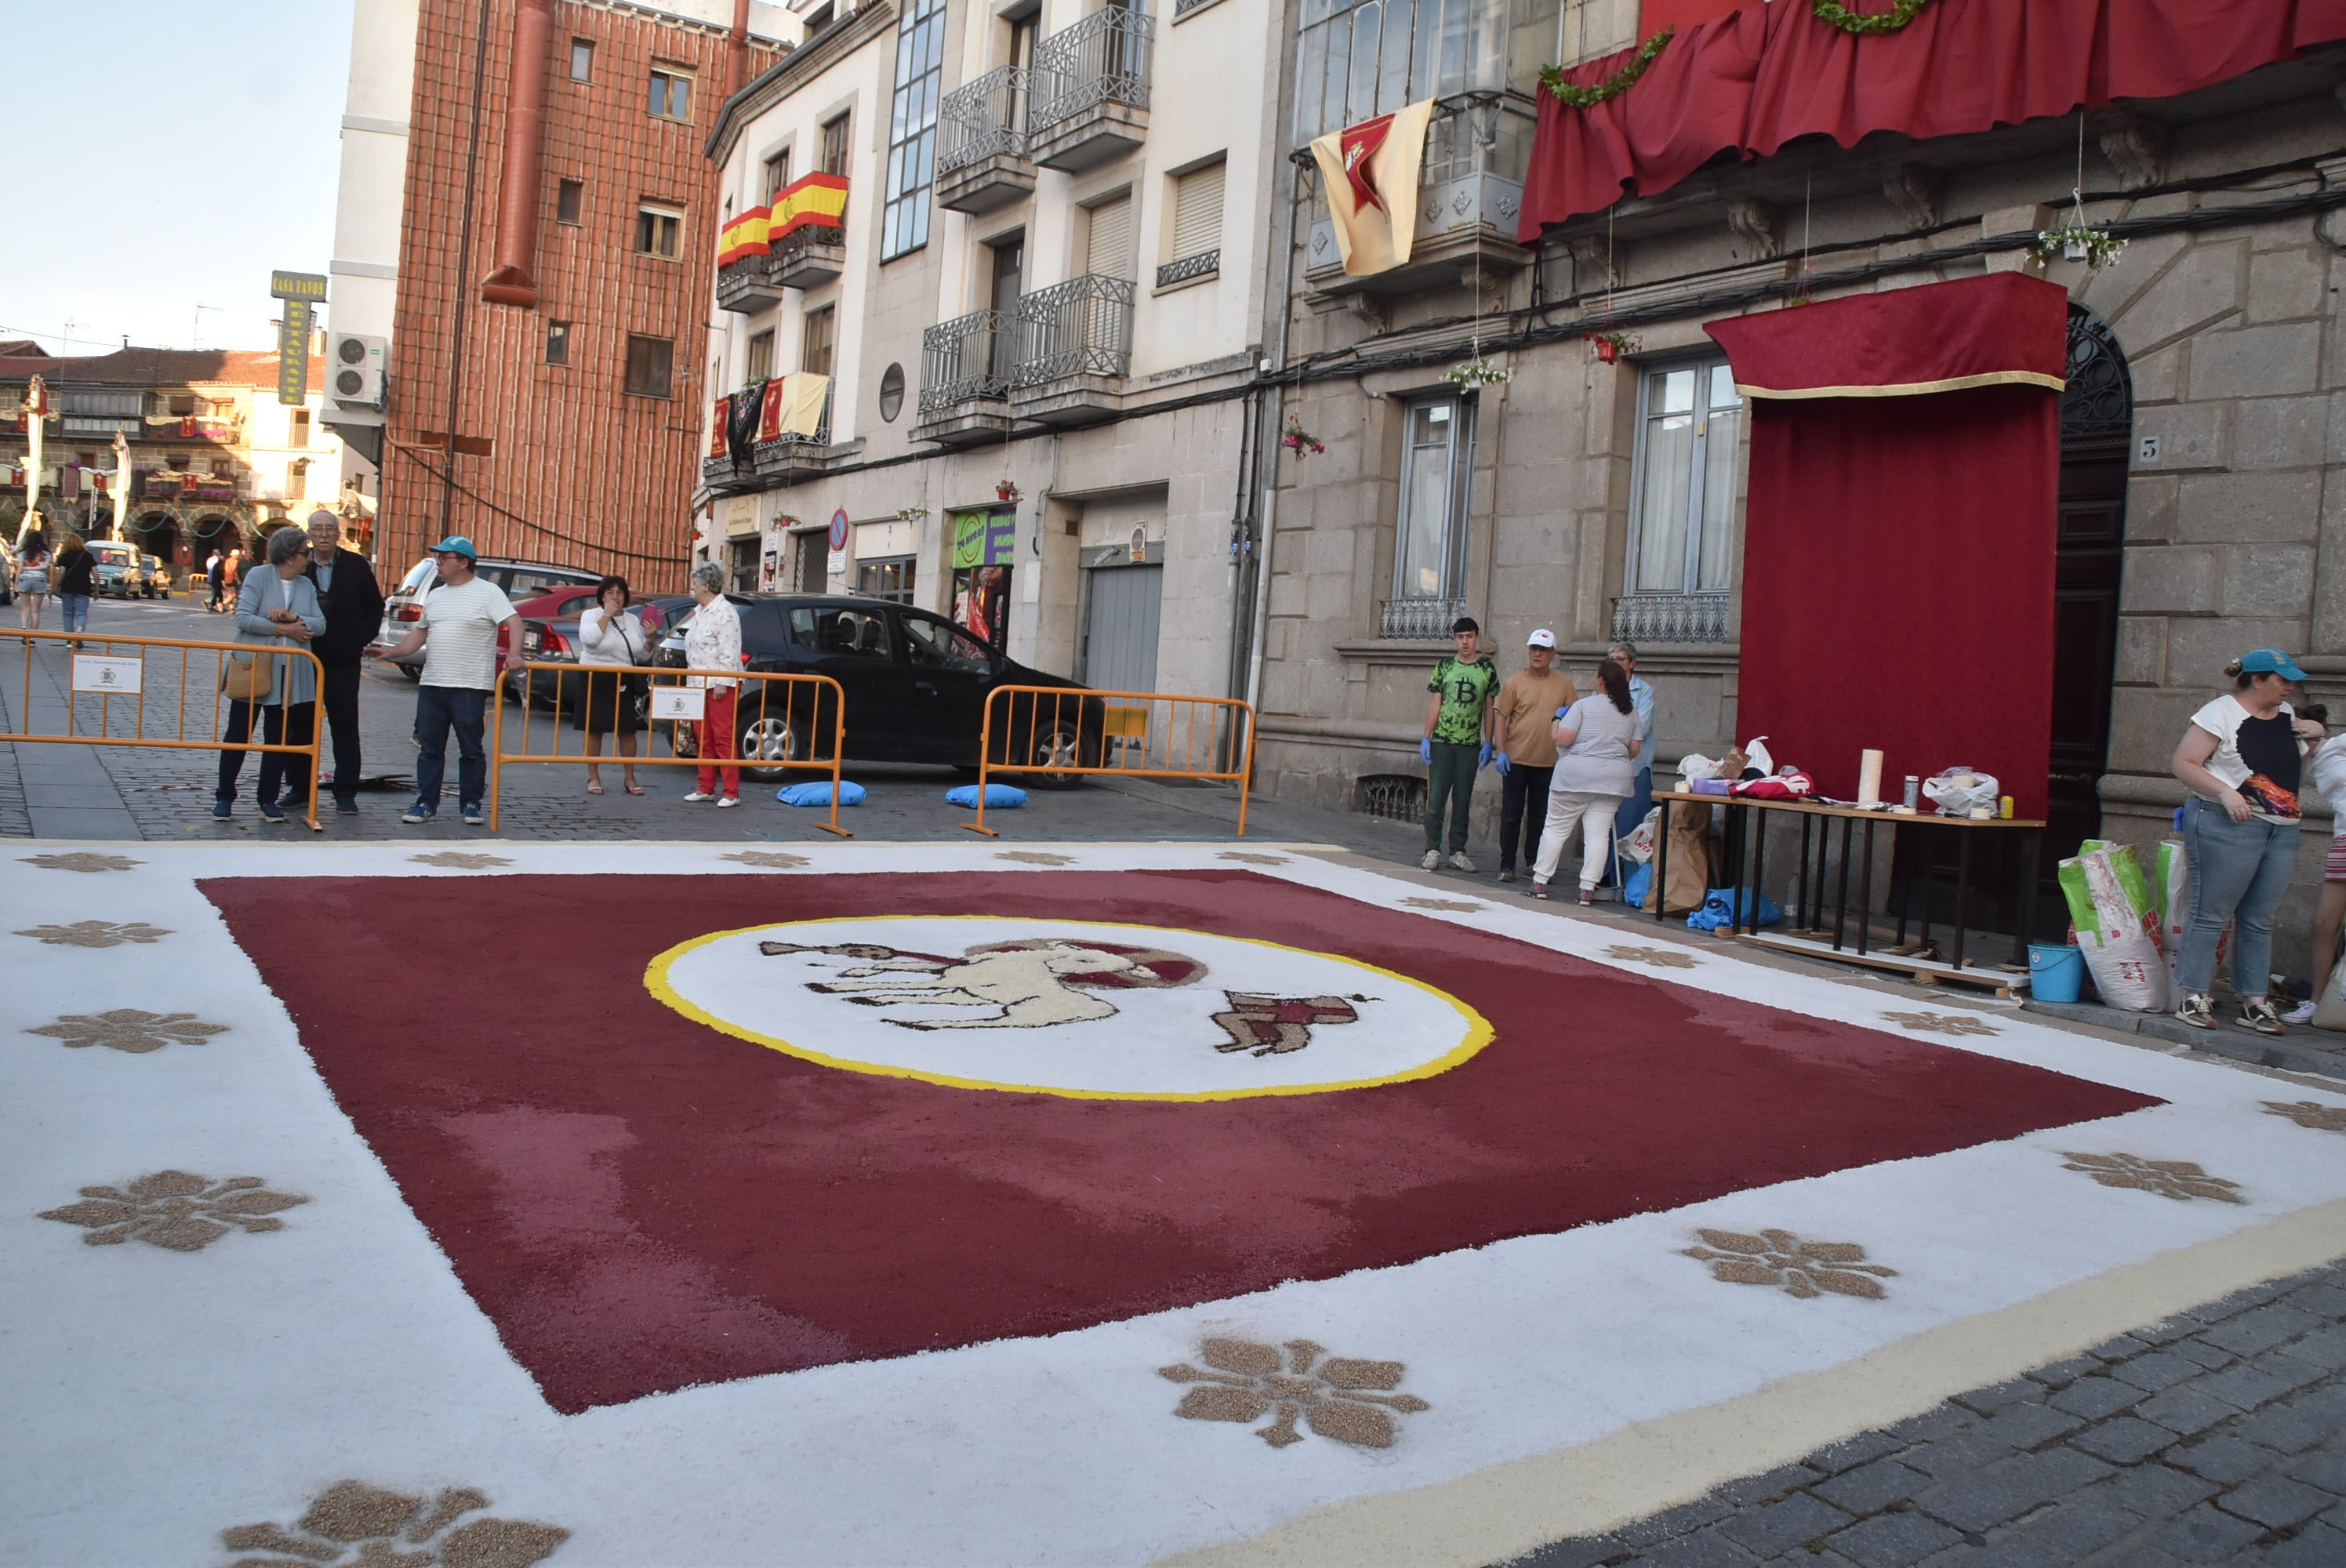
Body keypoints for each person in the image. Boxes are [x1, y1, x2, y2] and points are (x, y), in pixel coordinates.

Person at [2170, 648, 2326, 1035]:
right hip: (2226, 823)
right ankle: (2192, 996)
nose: (2290, 687)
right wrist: (2226, 793)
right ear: (2257, 679)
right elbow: (2185, 763)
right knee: (2211, 912)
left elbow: (2287, 763)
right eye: (2282, 680)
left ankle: (2255, 1001)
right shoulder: (2219, 712)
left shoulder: (2289, 716)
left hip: (2281, 827)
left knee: (2260, 918)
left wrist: (2319, 735)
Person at [365, 535, 521, 826]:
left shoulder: (489, 593)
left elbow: (514, 622)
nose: (438, 563)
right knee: (430, 748)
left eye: (444, 558)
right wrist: (390, 653)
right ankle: (425, 803)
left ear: (463, 562)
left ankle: (471, 803)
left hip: (469, 686)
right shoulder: (435, 595)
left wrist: (514, 655)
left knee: (471, 748)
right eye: (437, 557)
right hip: (433, 684)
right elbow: (419, 634)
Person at [213, 528, 324, 824]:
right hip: (256, 666)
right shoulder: (259, 576)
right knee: (238, 734)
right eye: (305, 553)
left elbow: (321, 624)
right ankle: (224, 797)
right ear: (289, 556)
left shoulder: (306, 586)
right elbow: (243, 617)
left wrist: (293, 618)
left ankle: (268, 799)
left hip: (291, 672)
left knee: (277, 739)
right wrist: (282, 629)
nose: (309, 558)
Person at [290, 510, 384, 815]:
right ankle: (299, 787)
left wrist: (358, 640)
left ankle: (346, 792)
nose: (324, 534)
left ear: (338, 532)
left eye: (330, 528)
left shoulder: (356, 565)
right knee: (299, 723)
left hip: (343, 659)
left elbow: (374, 606)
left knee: (344, 724)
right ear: (309, 533)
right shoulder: (299, 564)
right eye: (318, 528)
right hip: (304, 656)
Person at [1530, 659, 1646, 905]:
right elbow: (1634, 750)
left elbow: (1563, 739)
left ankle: (1540, 881)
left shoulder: (1583, 706)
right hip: (1614, 779)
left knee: (1556, 829)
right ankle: (1587, 889)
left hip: (1575, 776)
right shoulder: (1631, 712)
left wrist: (1555, 723)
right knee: (1598, 835)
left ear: (1601, 681)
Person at [1491, 629, 1578, 884]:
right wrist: (1501, 751)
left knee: (1540, 816)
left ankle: (1534, 863)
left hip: (1549, 762)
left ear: (1553, 654)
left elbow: (1575, 716)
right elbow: (1502, 716)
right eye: (1533, 649)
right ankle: (1507, 865)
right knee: (1511, 815)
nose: (1537, 654)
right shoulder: (1514, 683)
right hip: (1516, 760)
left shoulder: (1563, 684)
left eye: (1542, 650)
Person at [1418, 615, 1498, 873]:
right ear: (1455, 640)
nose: (1465, 642)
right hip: (1443, 741)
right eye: (1460, 637)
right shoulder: (1444, 667)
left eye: (1469, 637)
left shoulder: (1486, 670)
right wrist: (1427, 736)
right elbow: (1436, 703)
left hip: (1469, 743)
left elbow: (1489, 708)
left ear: (1477, 638)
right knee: (1436, 798)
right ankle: (1432, 848)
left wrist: (1489, 741)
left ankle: (1457, 851)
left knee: (1463, 799)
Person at [575, 574, 648, 796]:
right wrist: (607, 614)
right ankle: (594, 776)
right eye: (610, 593)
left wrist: (651, 640)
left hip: (623, 677)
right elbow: (590, 640)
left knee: (628, 730)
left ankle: (630, 777)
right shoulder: (591, 615)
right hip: (596, 675)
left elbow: (640, 653)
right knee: (595, 729)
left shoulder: (633, 620)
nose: (615, 597)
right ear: (602, 595)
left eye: (619, 593)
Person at [2297, 714, 2346, 1023]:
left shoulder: (2338, 745)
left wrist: (2321, 731)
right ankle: (2317, 1000)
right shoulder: (2309, 762)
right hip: (2344, 837)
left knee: (2324, 923)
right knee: (2323, 923)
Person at [681, 561, 743, 807]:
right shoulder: (700, 611)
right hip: (698, 681)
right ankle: (705, 786)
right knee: (702, 736)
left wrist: (722, 682)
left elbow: (730, 650)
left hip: (718, 683)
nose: (692, 589)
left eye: (695, 584)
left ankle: (731, 791)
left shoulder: (725, 612)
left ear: (706, 586)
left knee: (723, 736)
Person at [1608, 641, 1658, 880]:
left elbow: (1643, 726)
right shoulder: (1604, 690)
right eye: (1612, 660)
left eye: (1620, 659)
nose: (1616, 664)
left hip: (1636, 766)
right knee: (1605, 821)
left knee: (1631, 823)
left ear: (1632, 663)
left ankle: (1629, 879)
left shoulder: (1644, 691)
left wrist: (1614, 732)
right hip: (1607, 766)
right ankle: (1605, 875)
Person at [53, 533, 95, 648]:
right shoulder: (87, 555)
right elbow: (95, 573)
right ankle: (79, 632)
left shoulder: (65, 556)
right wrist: (96, 590)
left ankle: (69, 640)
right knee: (81, 612)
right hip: (84, 588)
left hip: (68, 587)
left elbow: (61, 572)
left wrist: (55, 586)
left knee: (68, 613)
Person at [13, 526, 49, 630]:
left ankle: (24, 627)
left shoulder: (22, 553)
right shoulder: (46, 554)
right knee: (36, 610)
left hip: (25, 579)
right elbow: (45, 566)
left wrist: (15, 585)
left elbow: (19, 569)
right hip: (40, 579)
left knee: (25, 608)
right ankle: (33, 636)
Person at [205, 547, 227, 612]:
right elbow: (219, 573)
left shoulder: (209, 560)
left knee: (218, 595)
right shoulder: (217, 563)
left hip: (211, 579)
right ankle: (210, 604)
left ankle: (219, 606)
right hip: (215, 581)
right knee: (214, 594)